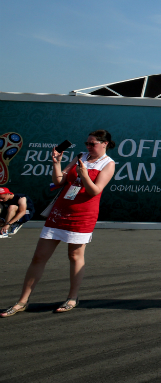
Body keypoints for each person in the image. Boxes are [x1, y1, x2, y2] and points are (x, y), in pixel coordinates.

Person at [2, 130, 116, 317]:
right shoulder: (80, 156)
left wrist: (84, 175)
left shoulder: (108, 164)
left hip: (83, 214)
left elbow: (95, 191)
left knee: (74, 256)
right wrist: (57, 163)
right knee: (39, 257)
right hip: (60, 211)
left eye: (92, 144)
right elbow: (59, 181)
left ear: (105, 144)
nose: (88, 147)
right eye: (87, 143)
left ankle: (72, 298)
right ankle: (22, 301)